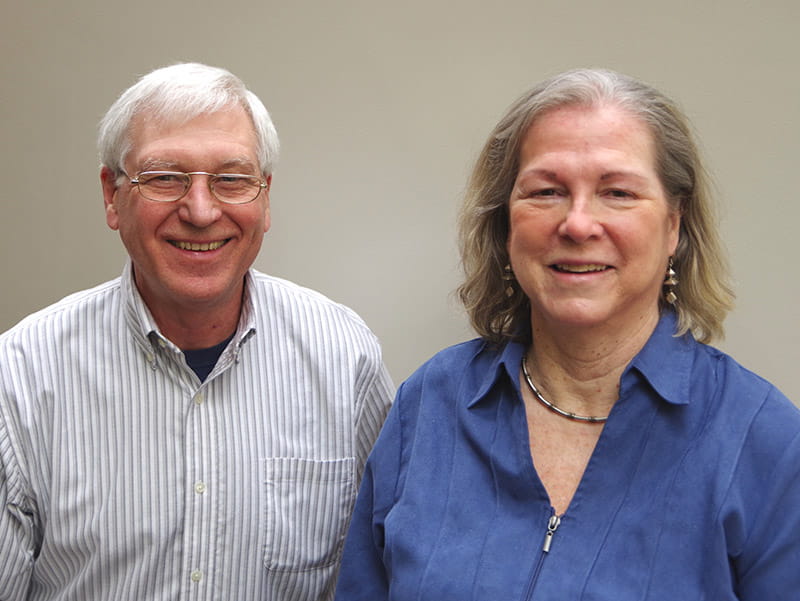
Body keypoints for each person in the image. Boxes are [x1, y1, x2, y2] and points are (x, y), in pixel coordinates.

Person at [334, 68, 800, 600]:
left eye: (618, 192)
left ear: (674, 225)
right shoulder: (431, 404)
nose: (578, 225)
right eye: (547, 190)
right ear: (506, 224)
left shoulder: (767, 444)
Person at [0, 62, 394, 601]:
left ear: (265, 196)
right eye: (165, 177)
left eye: (232, 179)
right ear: (112, 196)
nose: (202, 211)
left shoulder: (345, 358)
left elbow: (382, 574)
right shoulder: (21, 375)